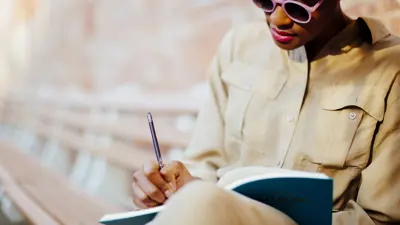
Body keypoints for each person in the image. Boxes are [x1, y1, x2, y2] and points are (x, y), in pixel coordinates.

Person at [131, 0, 400, 224]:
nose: (278, 19)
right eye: (266, 2)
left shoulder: (391, 69)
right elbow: (203, 162)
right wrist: (168, 187)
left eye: (298, 7)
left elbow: (381, 218)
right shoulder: (239, 47)